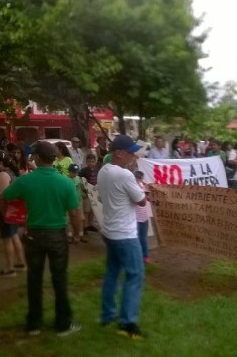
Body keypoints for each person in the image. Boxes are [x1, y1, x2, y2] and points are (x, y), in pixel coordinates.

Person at [0, 141, 82, 336]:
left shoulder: (25, 180)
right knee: (60, 279)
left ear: (36, 158)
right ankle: (63, 324)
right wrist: (77, 233)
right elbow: (75, 213)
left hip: (33, 234)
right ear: (54, 158)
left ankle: (34, 324)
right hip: (57, 235)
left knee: (34, 278)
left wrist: (10, 218)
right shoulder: (66, 182)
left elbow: (2, 199)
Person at [97, 135, 147, 339]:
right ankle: (127, 323)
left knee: (112, 273)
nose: (133, 155)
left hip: (109, 231)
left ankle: (108, 315)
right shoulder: (124, 175)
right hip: (125, 234)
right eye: (130, 152)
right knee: (135, 275)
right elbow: (142, 201)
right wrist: (136, 181)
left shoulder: (103, 170)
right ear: (118, 153)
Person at [134, 171, 153, 263]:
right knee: (137, 238)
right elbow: (137, 201)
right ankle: (138, 256)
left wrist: (148, 197)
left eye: (141, 178)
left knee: (143, 238)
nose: (140, 180)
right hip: (136, 217)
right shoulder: (133, 188)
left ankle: (145, 256)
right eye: (138, 178)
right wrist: (145, 197)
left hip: (144, 216)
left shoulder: (142, 185)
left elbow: (145, 199)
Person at [66, 163, 87, 243]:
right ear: (69, 171)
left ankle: (80, 234)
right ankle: (69, 234)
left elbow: (83, 187)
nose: (75, 174)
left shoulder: (79, 179)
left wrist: (85, 193)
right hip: (69, 201)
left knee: (81, 218)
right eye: (73, 172)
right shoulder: (66, 179)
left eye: (76, 172)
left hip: (78, 201)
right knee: (68, 219)